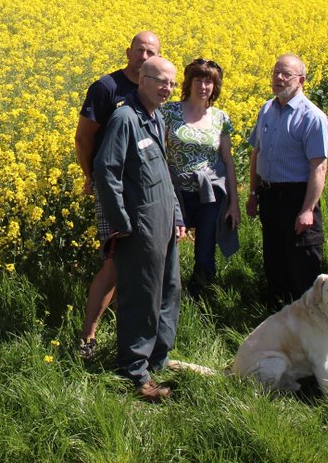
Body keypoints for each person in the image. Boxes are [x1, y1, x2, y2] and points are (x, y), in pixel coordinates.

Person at [93, 56, 186, 402]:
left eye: (172, 84)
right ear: (142, 80)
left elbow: (162, 173)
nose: (167, 89)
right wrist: (120, 223)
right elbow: (105, 171)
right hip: (140, 226)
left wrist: (176, 215)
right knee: (142, 297)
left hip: (163, 219)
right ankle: (134, 373)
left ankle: (157, 359)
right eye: (161, 81)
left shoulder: (156, 116)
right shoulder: (124, 118)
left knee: (168, 291)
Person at [74, 31, 160, 358]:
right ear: (128, 52)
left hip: (144, 191)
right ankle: (88, 338)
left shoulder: (151, 90)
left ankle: (125, 331)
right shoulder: (107, 88)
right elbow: (84, 139)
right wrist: (91, 177)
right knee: (114, 262)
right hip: (114, 189)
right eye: (139, 49)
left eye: (150, 51)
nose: (143, 55)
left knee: (135, 261)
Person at [246, 54, 328, 305]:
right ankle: (277, 318)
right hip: (270, 196)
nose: (279, 79)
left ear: (301, 80)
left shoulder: (312, 116)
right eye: (276, 73)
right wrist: (253, 194)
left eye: (286, 74)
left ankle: (309, 320)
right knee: (274, 258)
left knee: (302, 262)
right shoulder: (267, 109)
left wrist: (308, 210)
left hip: (297, 197)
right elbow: (256, 154)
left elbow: (319, 167)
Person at [161, 58, 240, 299]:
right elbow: (158, 152)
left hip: (210, 192)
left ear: (215, 87)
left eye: (209, 82)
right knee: (168, 245)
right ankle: (167, 295)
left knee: (205, 249)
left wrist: (234, 204)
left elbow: (227, 161)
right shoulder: (169, 112)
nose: (203, 86)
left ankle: (201, 298)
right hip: (175, 191)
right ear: (189, 82)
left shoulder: (220, 118)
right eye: (199, 80)